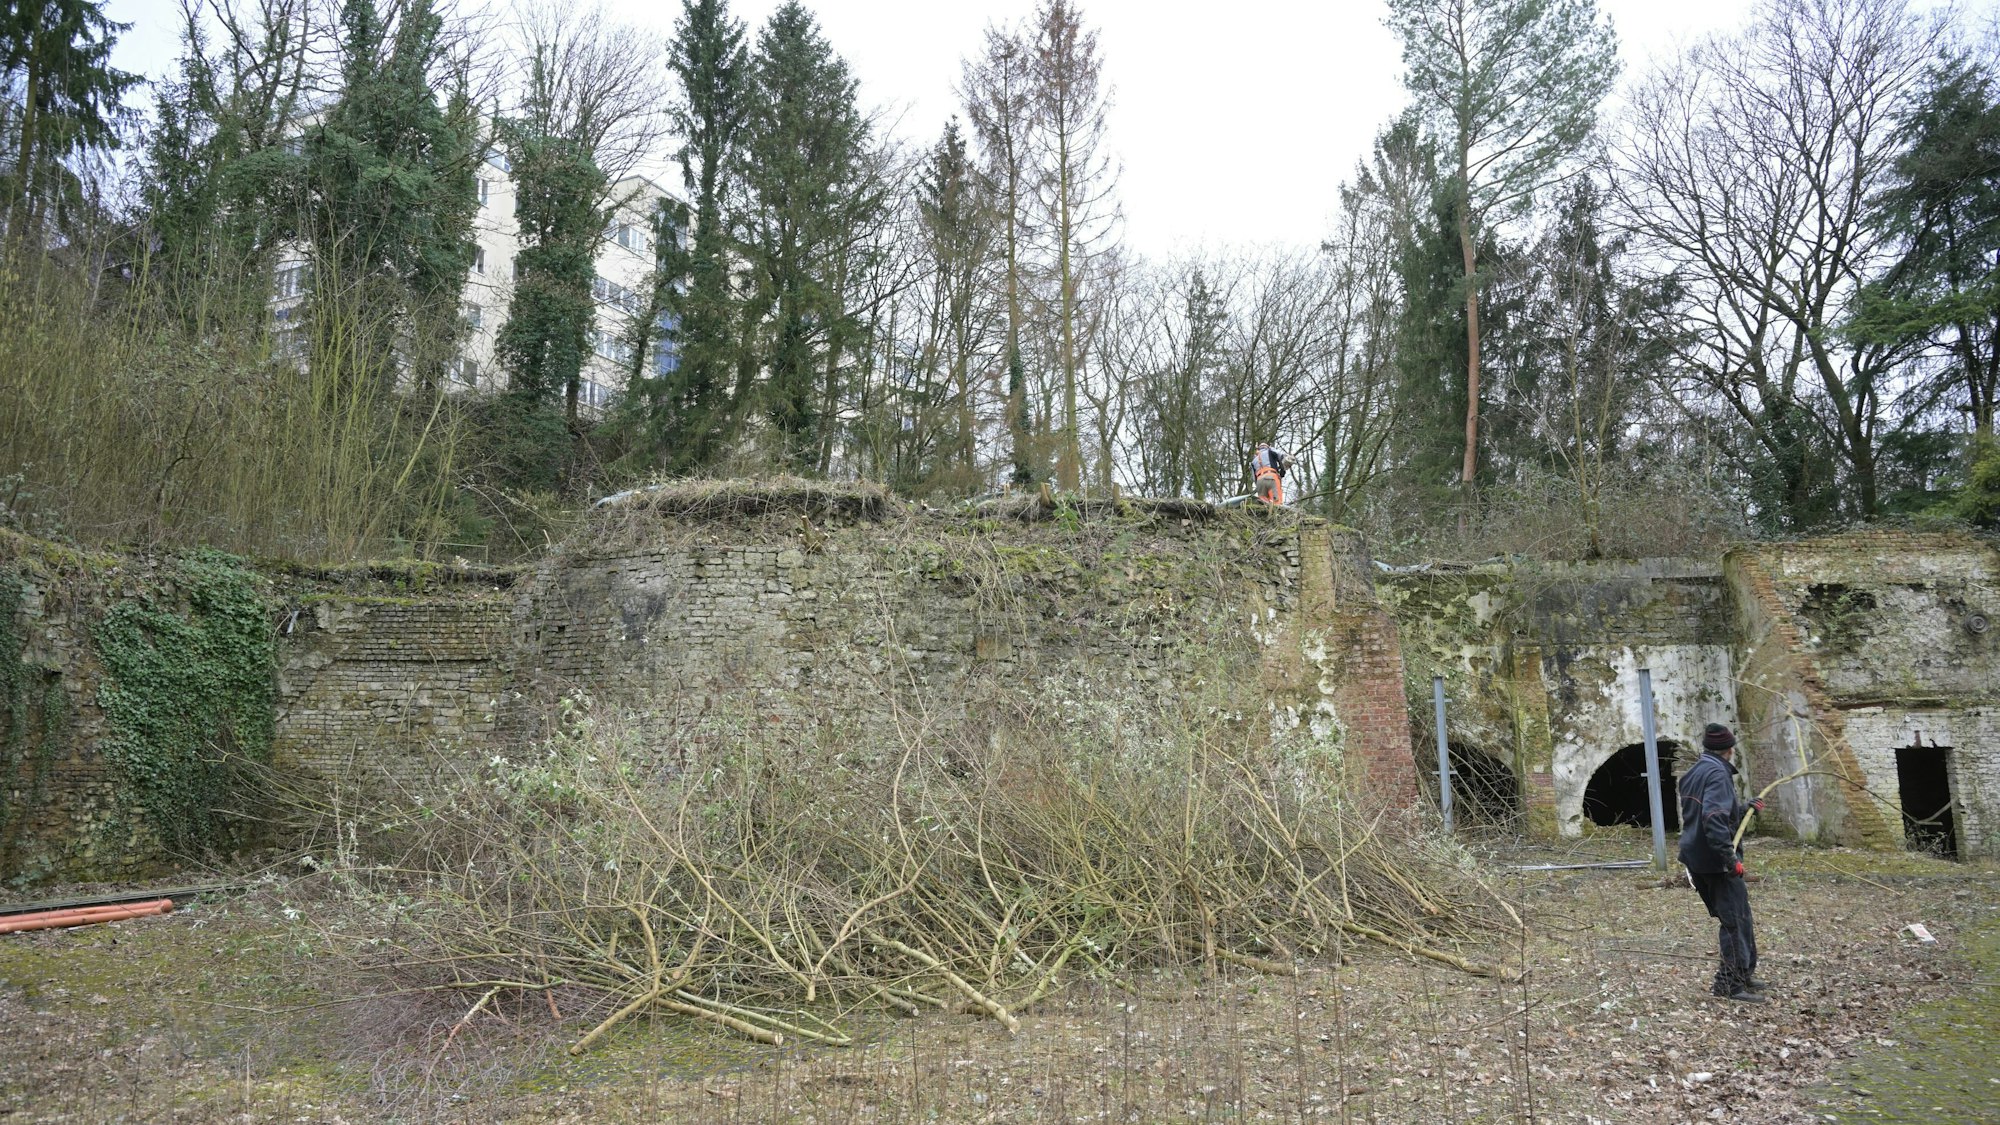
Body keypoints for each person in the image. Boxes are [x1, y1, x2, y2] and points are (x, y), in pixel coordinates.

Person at [1677, 722, 1768, 1003]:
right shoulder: (1717, 774)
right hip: (1715, 862)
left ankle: (1744, 973)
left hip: (1697, 857)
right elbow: (1713, 819)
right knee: (1733, 922)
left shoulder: (1695, 771)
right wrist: (1730, 858)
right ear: (1729, 750)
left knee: (1741, 915)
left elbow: (1712, 810)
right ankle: (1728, 985)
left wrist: (1743, 810)